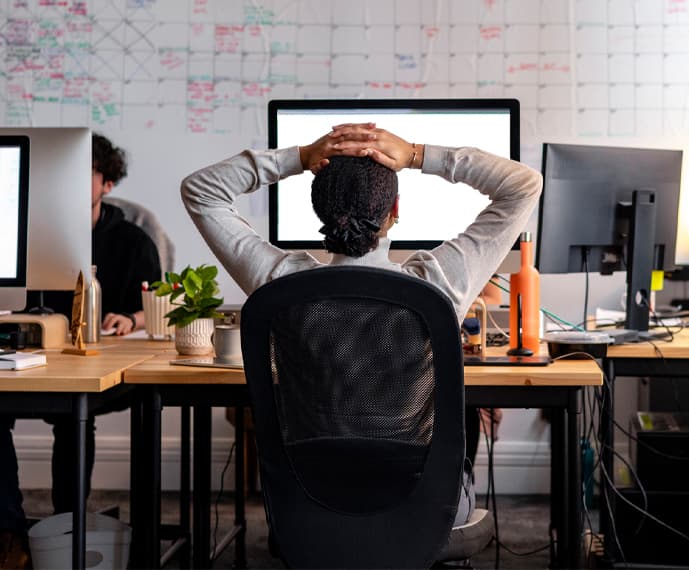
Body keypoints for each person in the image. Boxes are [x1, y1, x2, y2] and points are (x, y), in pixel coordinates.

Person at [181, 122, 542, 527]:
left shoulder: (282, 284)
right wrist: (418, 154)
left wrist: (300, 157)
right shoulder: (439, 285)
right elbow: (524, 184)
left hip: (307, 499)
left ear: (318, 211)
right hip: (421, 505)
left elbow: (201, 190)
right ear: (395, 211)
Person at [0, 134, 162, 568]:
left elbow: (157, 302)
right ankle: (10, 529)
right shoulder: (34, 233)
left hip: (101, 361)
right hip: (40, 354)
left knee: (74, 420)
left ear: (107, 182)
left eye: (84, 173)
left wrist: (132, 319)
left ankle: (65, 526)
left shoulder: (133, 239)